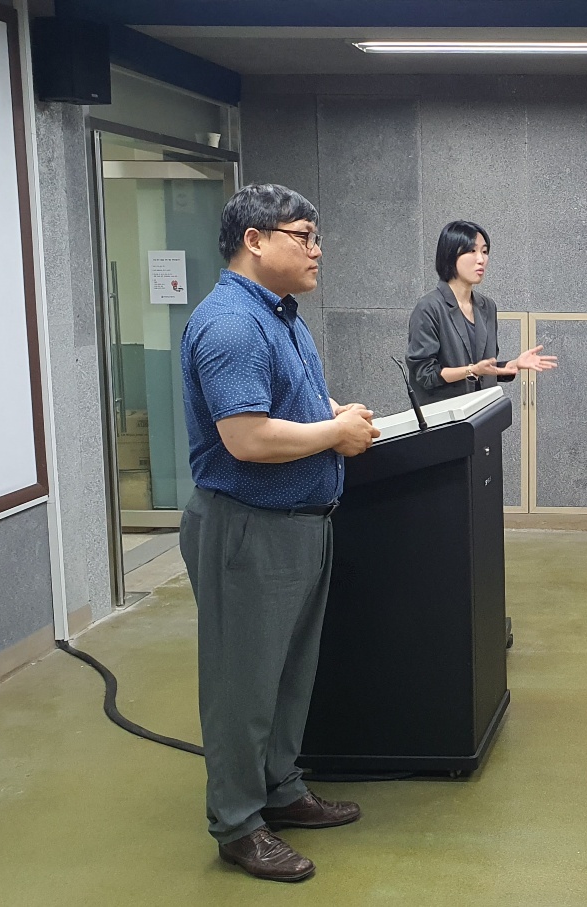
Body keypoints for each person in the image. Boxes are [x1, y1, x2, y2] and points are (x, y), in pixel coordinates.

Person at [179, 184, 380, 883]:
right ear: (256, 240)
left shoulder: (281, 316)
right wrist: (335, 433)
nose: (317, 249)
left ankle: (281, 789)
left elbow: (290, 403)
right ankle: (238, 824)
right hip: (249, 529)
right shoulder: (232, 324)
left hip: (298, 525)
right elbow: (247, 437)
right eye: (304, 235)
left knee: (288, 674)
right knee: (243, 683)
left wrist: (333, 413)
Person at [406, 220, 556, 406]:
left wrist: (512, 365)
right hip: (446, 416)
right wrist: (472, 370)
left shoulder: (487, 306)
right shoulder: (429, 307)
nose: (481, 259)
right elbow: (425, 374)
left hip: (483, 413)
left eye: (484, 251)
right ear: (450, 255)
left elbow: (484, 367)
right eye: (472, 251)